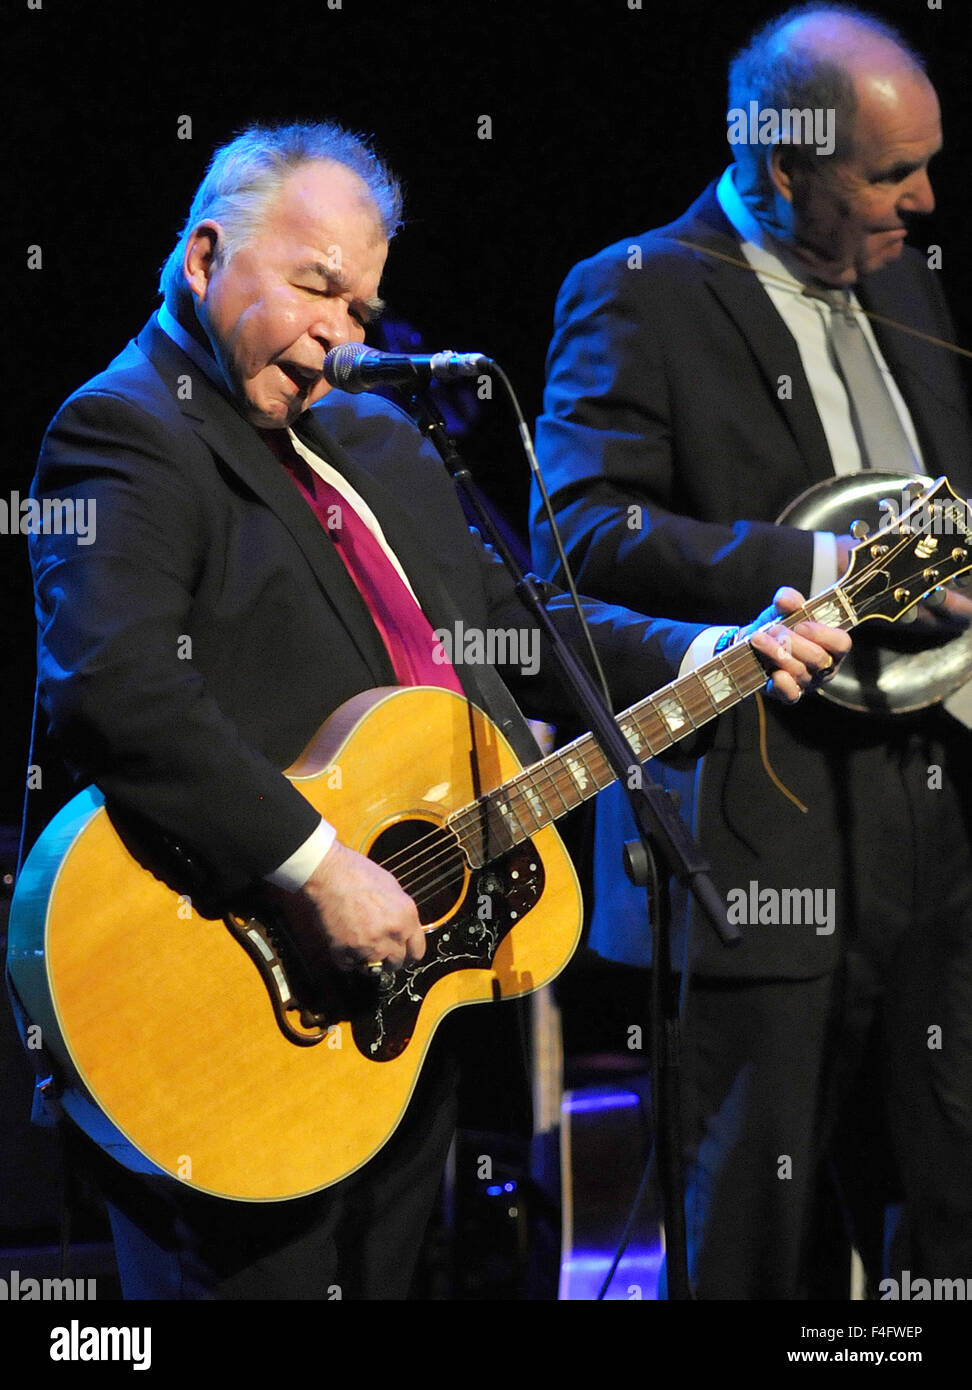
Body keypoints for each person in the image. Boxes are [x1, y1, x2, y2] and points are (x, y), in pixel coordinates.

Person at [17, 121, 847, 1300]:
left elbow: (522, 632)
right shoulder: (126, 431)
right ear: (204, 258)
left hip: (402, 1010)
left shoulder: (370, 439)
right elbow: (117, 687)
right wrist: (315, 868)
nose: (339, 337)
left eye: (361, 308)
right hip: (229, 1003)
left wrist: (713, 648)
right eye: (315, 288)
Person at [531, 5, 972, 1299]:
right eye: (892, 174)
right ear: (783, 167)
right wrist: (815, 570)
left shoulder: (902, 276)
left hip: (936, 811)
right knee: (749, 1238)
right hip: (757, 809)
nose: (925, 201)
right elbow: (579, 538)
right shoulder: (635, 290)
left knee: (944, 1209)